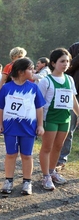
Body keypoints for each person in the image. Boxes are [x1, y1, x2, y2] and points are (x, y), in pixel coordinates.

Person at [0, 57, 45, 195]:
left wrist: (40, 125)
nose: (33, 70)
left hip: (28, 128)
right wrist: (0, 124)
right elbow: (0, 107)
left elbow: (39, 107)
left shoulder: (34, 87)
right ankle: (8, 180)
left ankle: (27, 182)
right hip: (10, 127)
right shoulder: (6, 88)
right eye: (30, 68)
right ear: (21, 71)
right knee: (11, 154)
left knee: (27, 155)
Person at [38, 48, 79, 191]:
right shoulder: (45, 81)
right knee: (47, 147)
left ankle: (52, 171)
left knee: (58, 147)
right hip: (50, 119)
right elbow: (39, 104)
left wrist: (78, 113)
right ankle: (45, 176)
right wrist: (39, 123)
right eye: (62, 61)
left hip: (65, 119)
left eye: (67, 61)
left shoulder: (69, 79)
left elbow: (73, 99)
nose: (66, 64)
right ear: (54, 63)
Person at [57, 42, 79, 170]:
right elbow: (67, 67)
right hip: (72, 93)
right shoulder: (74, 47)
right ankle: (61, 159)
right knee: (68, 129)